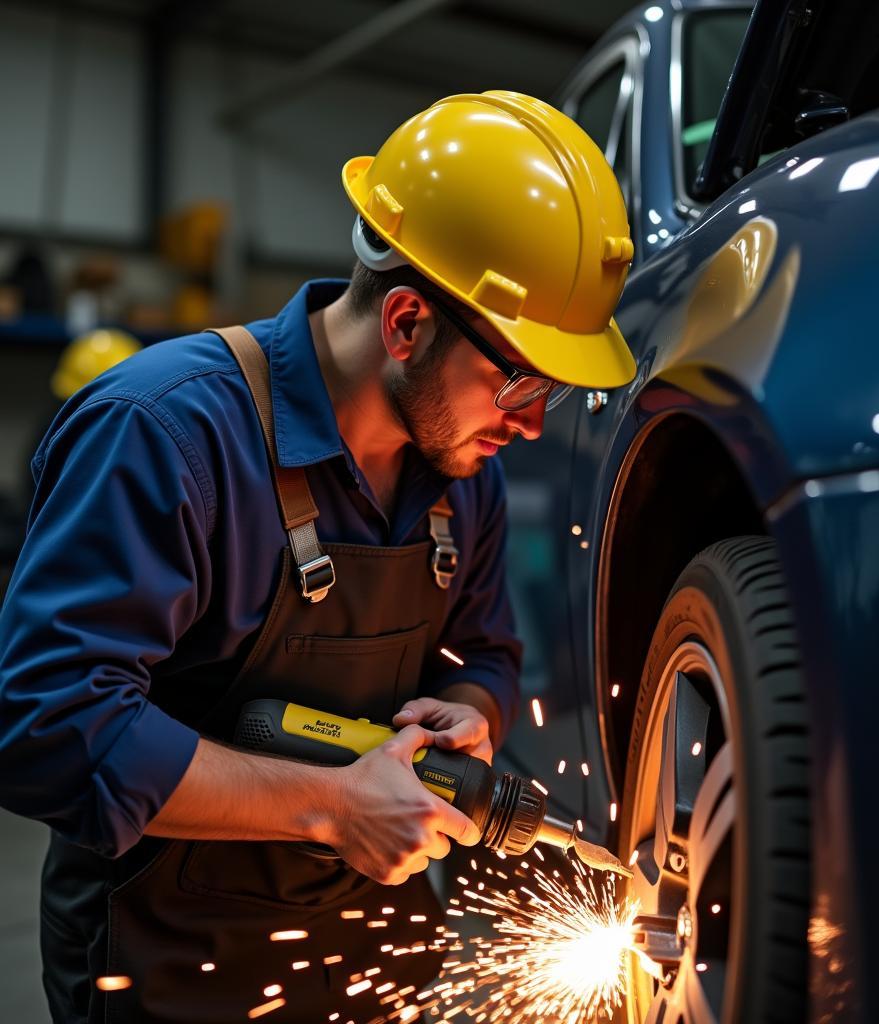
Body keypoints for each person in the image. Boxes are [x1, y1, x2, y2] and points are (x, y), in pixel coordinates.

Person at [0, 90, 636, 1023]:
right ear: (407, 322)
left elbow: (489, 656)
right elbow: (49, 726)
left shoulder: (465, 478)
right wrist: (334, 806)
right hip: (173, 962)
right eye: (521, 380)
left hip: (374, 951)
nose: (533, 423)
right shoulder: (166, 432)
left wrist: (467, 717)